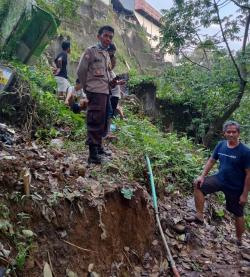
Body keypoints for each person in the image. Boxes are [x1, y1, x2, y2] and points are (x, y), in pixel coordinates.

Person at [187, 121, 250, 246]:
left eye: (234, 132)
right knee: (198, 184)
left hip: (235, 187)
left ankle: (239, 240)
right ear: (224, 133)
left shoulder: (245, 151)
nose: (231, 134)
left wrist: (244, 194)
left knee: (238, 213)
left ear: (238, 133)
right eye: (228, 132)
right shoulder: (220, 145)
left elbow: (249, 174)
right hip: (220, 179)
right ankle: (199, 216)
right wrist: (202, 176)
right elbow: (211, 161)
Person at [77, 25, 115, 164]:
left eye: (110, 37)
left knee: (103, 122)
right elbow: (81, 71)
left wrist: (115, 82)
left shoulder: (106, 54)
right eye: (106, 36)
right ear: (98, 36)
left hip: (105, 92)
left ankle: (98, 148)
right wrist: (86, 89)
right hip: (95, 92)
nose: (108, 39)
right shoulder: (91, 51)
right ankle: (92, 156)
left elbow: (108, 74)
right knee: (94, 122)